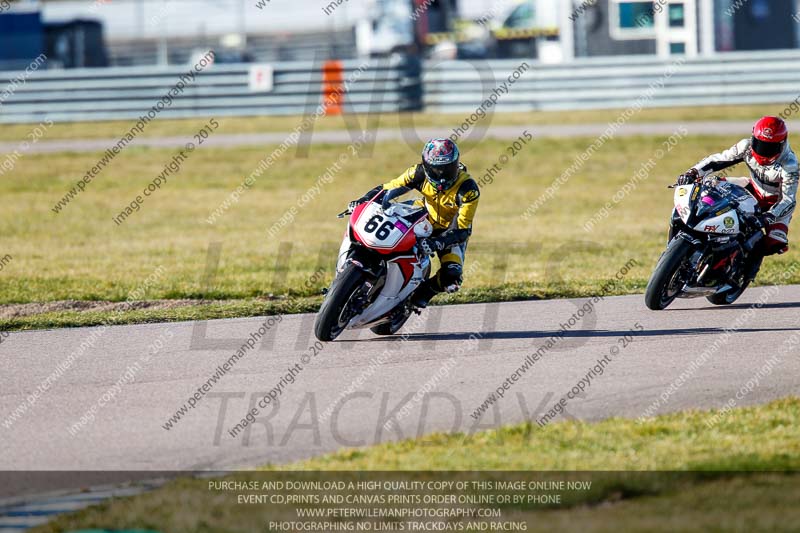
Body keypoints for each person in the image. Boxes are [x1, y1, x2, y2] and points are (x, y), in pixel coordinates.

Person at [348, 138, 480, 308]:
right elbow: (389, 187)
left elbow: (463, 230)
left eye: (447, 169)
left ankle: (423, 293)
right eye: (435, 170)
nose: (441, 176)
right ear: (426, 165)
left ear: (456, 164)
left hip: (449, 232)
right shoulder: (417, 172)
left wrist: (438, 242)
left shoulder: (468, 189)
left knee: (452, 275)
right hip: (420, 216)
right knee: (380, 228)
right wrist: (363, 200)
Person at [677, 116, 798, 280]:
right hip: (751, 188)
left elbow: (788, 200)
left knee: (774, 242)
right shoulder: (746, 146)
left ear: (782, 144)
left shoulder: (790, 165)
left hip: (774, 205)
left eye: (769, 147)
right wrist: (693, 172)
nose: (762, 151)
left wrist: (769, 216)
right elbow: (718, 159)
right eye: (760, 144)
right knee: (709, 186)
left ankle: (746, 273)